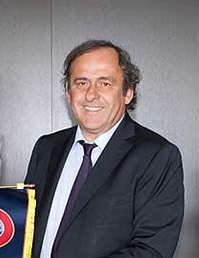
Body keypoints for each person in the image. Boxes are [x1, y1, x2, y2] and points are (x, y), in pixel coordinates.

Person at [25, 40, 184, 258]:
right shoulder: (46, 148)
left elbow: (150, 251)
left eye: (105, 83)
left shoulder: (157, 156)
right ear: (68, 92)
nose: (91, 94)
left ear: (128, 92)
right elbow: (26, 226)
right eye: (81, 83)